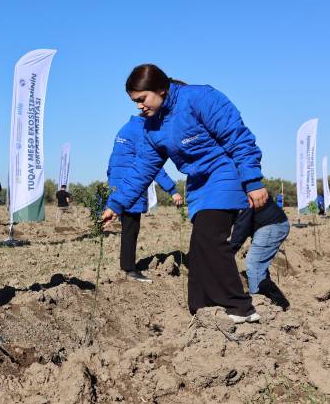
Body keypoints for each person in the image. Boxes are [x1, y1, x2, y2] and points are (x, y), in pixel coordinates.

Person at [101, 64, 267, 324]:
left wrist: (253, 180)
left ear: (160, 89)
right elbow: (142, 168)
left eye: (141, 99)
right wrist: (116, 204)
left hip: (224, 172)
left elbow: (238, 137)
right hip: (199, 184)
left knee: (210, 237)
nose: (138, 107)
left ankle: (241, 308)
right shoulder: (152, 127)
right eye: (134, 102)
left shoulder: (200, 98)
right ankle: (201, 309)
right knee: (199, 248)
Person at [107, 114, 183, 283]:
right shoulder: (142, 131)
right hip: (131, 185)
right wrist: (172, 190)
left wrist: (111, 184)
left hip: (119, 184)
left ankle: (127, 265)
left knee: (128, 227)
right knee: (131, 229)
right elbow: (152, 165)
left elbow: (112, 160)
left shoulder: (125, 128)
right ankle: (129, 269)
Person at [230, 198, 290, 310]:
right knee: (260, 267)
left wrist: (230, 251)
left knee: (254, 263)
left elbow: (242, 225)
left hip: (272, 225)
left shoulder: (241, 195)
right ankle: (277, 301)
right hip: (272, 223)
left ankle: (259, 304)